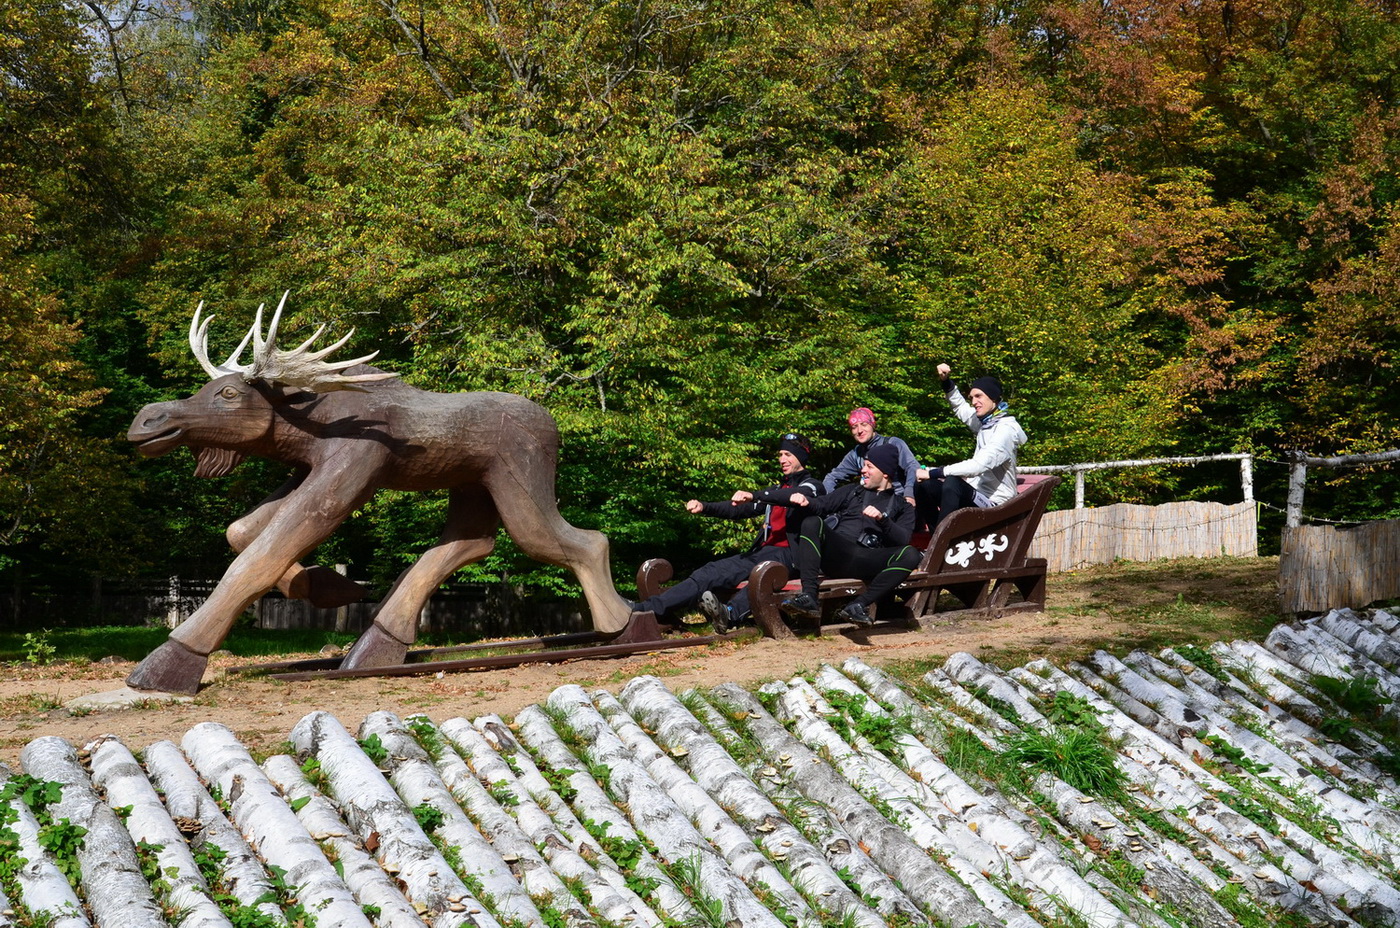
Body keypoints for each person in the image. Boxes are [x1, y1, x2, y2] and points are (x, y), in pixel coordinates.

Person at [631, 433, 825, 632]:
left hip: (791, 557)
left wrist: (756, 495)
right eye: (780, 454)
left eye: (788, 455)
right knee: (711, 570)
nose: (782, 459)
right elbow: (738, 509)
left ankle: (729, 614)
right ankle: (647, 609)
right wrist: (705, 507)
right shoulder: (776, 489)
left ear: (801, 457)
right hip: (764, 552)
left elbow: (792, 496)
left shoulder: (813, 486)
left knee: (759, 579)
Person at [780, 442, 922, 627]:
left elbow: (903, 539)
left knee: (911, 554)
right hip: (839, 554)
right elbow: (821, 505)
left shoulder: (903, 505)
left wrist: (883, 519)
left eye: (869, 466)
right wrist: (805, 500)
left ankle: (858, 605)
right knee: (812, 522)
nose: (863, 470)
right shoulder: (852, 491)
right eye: (864, 465)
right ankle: (809, 597)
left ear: (885, 472)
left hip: (869, 559)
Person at [915, 364, 1027, 528]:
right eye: (972, 398)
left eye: (978, 396)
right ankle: (935, 537)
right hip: (977, 494)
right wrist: (946, 382)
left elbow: (978, 465)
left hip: (996, 505)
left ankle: (941, 542)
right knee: (925, 486)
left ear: (993, 398)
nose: (974, 402)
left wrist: (935, 472)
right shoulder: (986, 423)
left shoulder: (1005, 430)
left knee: (952, 483)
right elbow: (961, 408)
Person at [824, 407, 921, 505]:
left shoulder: (893, 443)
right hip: (871, 502)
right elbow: (832, 477)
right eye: (854, 427)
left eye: (864, 424)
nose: (859, 430)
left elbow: (912, 467)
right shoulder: (856, 454)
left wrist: (909, 494)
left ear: (872, 425)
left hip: (899, 499)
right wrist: (829, 501)